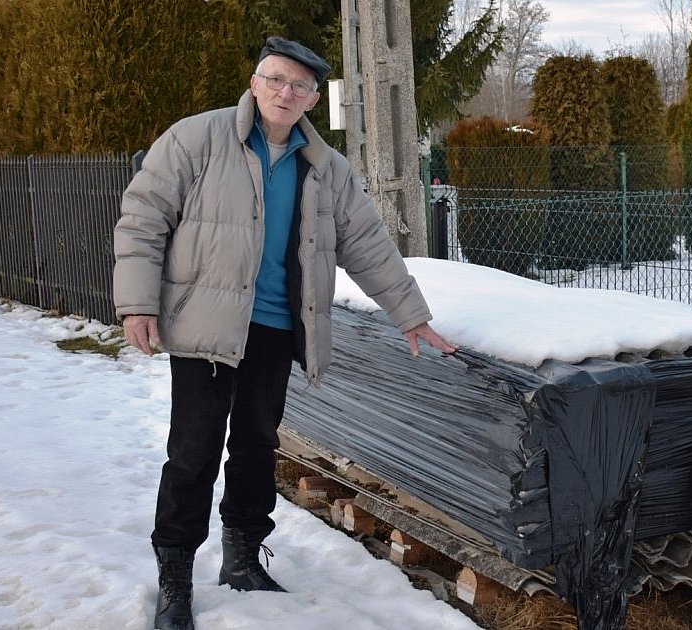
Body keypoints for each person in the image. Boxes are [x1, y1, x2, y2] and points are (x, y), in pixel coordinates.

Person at [112, 36, 456, 630]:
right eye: (275, 79)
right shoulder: (196, 138)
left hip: (274, 328)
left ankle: (243, 558)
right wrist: (138, 303)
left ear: (314, 100)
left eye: (300, 86)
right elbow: (143, 218)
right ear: (254, 83)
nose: (285, 92)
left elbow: (367, 244)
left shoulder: (326, 168)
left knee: (256, 446)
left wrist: (410, 313)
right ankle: (175, 577)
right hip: (204, 325)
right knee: (193, 452)